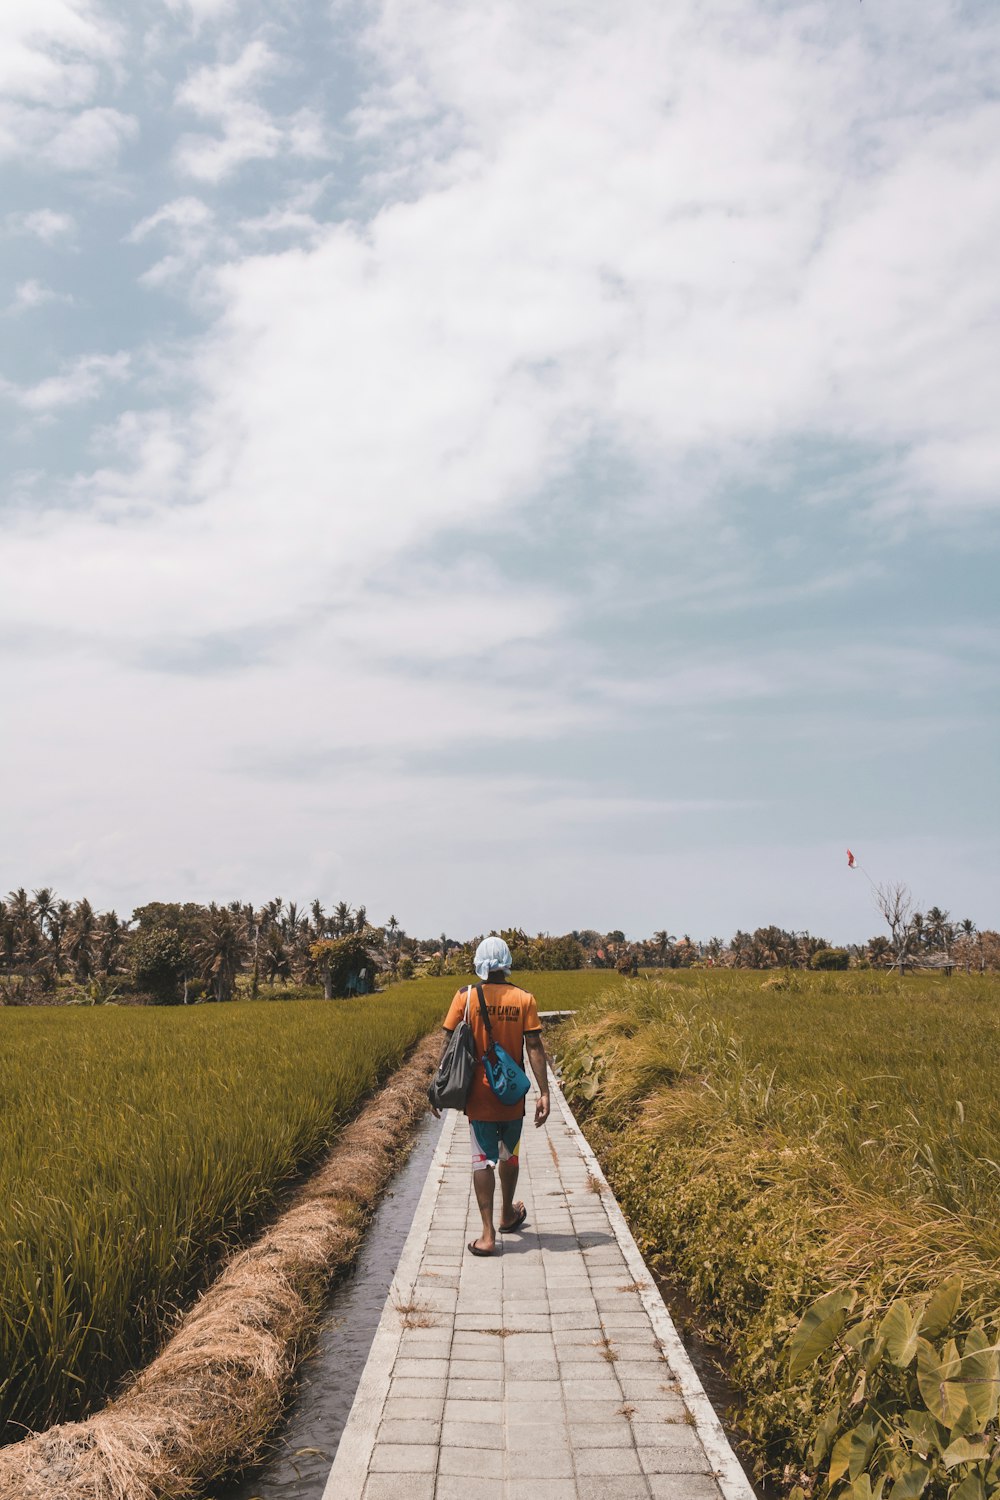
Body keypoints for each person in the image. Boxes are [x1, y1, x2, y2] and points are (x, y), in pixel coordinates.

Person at [432, 935, 550, 1256]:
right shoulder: (524, 999)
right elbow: (535, 1047)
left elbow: (446, 1044)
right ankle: (507, 1214)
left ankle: (487, 1236)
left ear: (480, 963)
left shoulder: (465, 997)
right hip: (512, 1094)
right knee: (509, 1154)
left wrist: (436, 1087)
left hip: (477, 1096)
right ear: (507, 962)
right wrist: (544, 1093)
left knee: (482, 1161)